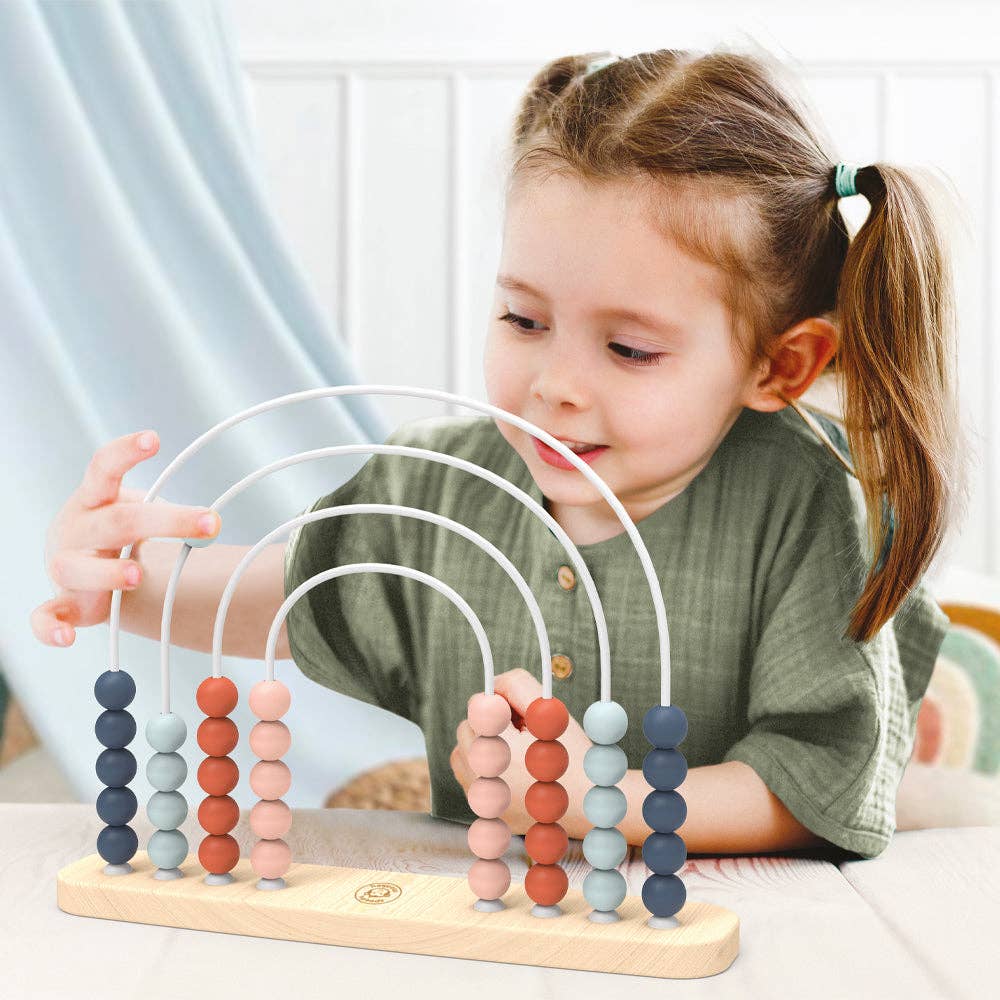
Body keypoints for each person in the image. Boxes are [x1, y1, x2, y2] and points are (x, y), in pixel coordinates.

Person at [33, 45, 969, 859]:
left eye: (628, 349)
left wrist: (598, 802)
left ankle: (952, 723)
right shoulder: (441, 486)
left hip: (740, 940)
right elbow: (293, 597)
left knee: (930, 770)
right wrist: (127, 581)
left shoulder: (814, 508)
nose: (555, 385)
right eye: (524, 319)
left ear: (781, 364)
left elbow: (816, 784)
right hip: (503, 932)